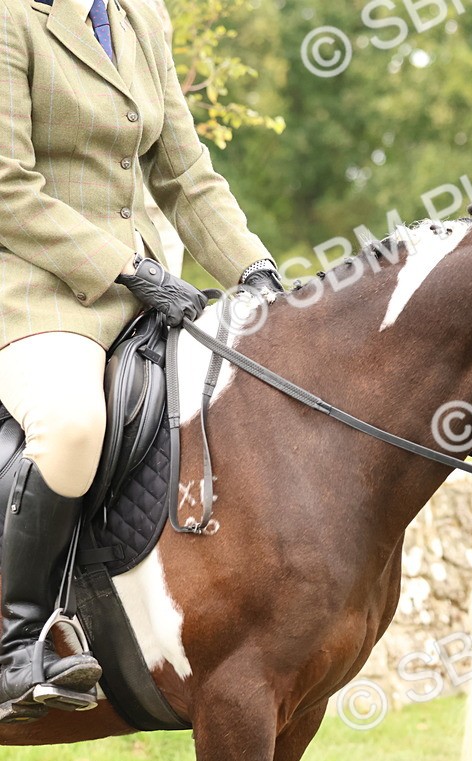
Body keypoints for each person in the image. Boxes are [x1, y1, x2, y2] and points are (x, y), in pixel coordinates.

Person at [0, 0, 282, 722]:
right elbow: (7, 186)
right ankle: (15, 643)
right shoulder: (12, 17)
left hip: (148, 288)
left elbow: (185, 173)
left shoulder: (139, 15)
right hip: (35, 288)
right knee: (69, 426)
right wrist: (125, 268)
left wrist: (256, 272)